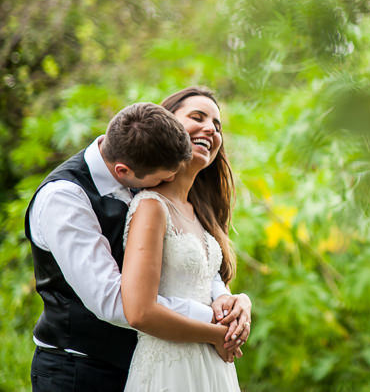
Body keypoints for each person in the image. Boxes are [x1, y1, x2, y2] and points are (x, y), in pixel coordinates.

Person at [25, 101, 251, 392]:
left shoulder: (146, 158)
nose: (170, 179)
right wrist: (213, 322)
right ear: (123, 171)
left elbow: (187, 262)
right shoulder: (65, 198)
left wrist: (228, 300)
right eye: (164, 177)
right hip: (79, 369)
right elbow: (114, 301)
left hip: (148, 360)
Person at [120, 86, 244, 391]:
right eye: (198, 117)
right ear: (167, 125)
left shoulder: (200, 212)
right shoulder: (151, 207)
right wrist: (216, 334)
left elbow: (208, 283)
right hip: (170, 366)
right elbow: (140, 312)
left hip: (213, 368)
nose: (211, 129)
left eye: (217, 125)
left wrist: (239, 303)